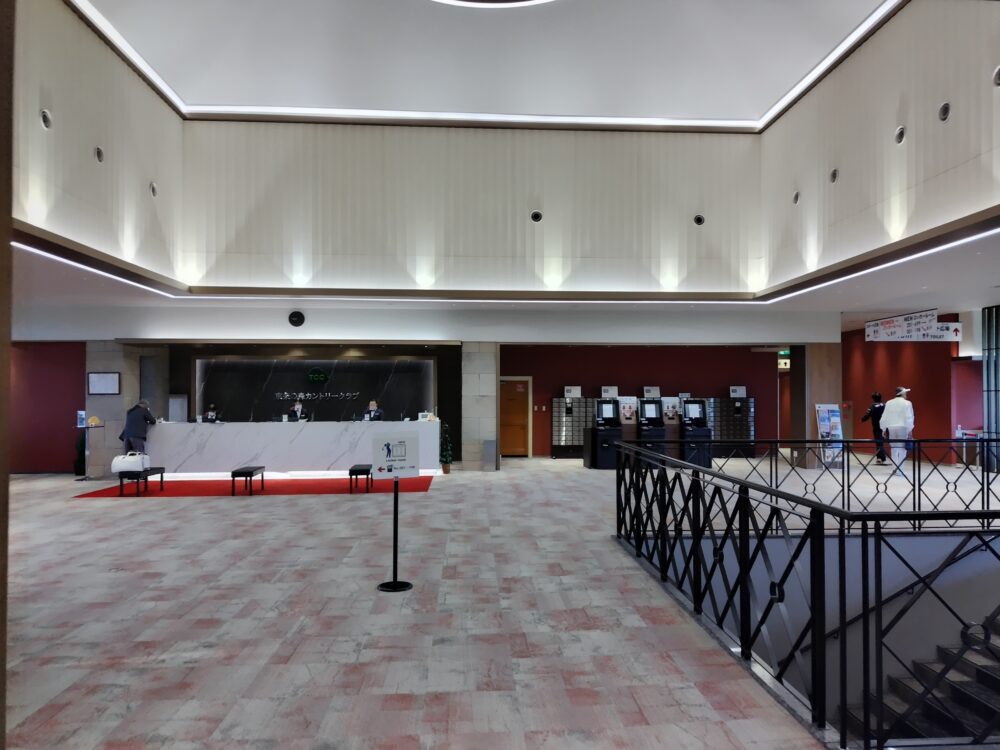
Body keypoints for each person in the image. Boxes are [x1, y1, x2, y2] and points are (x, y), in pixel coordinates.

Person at [881, 386, 915, 476]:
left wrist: (883, 429)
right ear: (902, 393)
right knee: (902, 450)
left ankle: (895, 468)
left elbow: (884, 416)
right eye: (905, 393)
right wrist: (910, 429)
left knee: (894, 449)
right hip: (902, 428)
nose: (906, 395)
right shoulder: (907, 403)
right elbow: (909, 417)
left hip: (891, 428)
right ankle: (900, 470)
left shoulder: (889, 402)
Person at [860, 391, 887, 464]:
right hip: (885, 426)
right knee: (881, 442)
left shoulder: (872, 406)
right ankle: (881, 457)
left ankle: (880, 458)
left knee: (878, 442)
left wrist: (862, 419)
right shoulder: (885, 405)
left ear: (873, 398)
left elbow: (867, 415)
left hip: (877, 427)